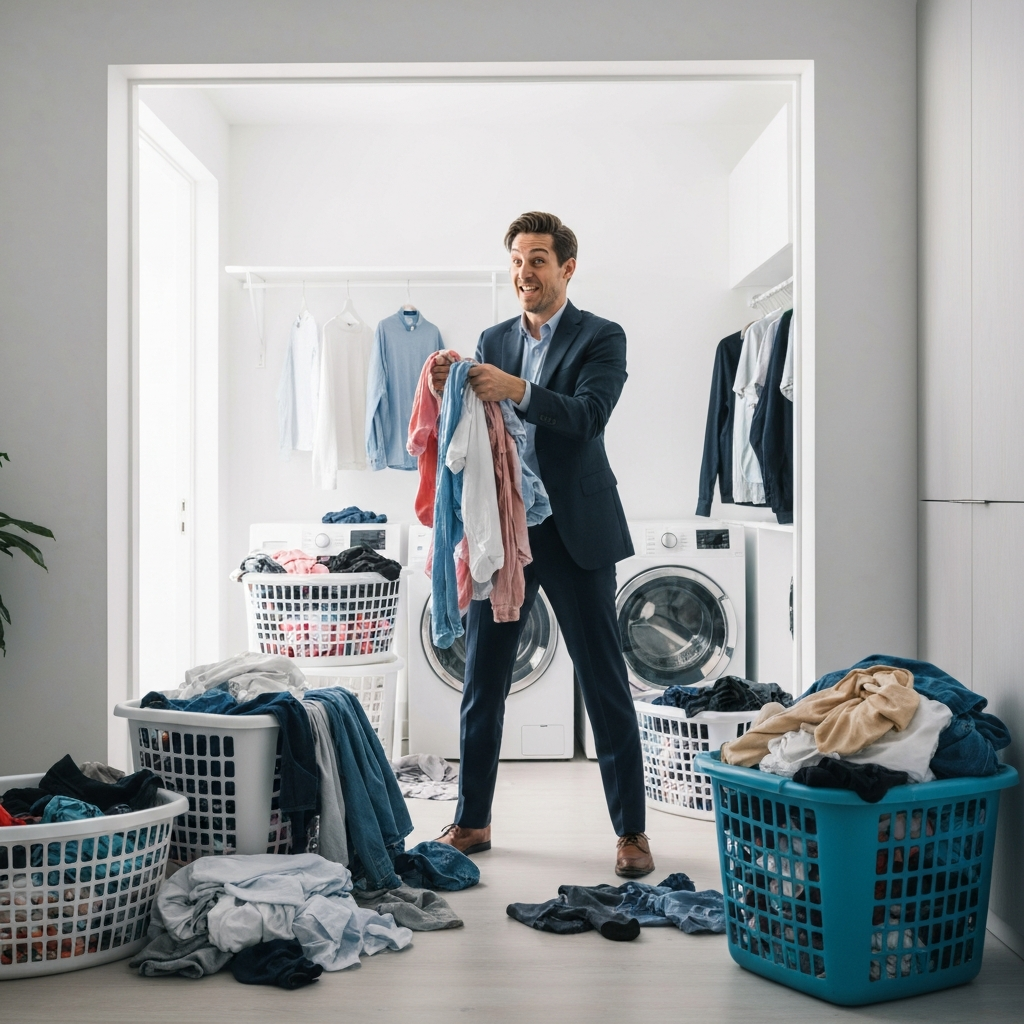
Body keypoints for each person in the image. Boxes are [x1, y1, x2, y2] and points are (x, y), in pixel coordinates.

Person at [430, 211, 653, 878]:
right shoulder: (492, 336)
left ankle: (632, 834)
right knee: (484, 680)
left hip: (574, 530)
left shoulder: (601, 336)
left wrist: (518, 388)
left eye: (538, 261)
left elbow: (588, 416)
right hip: (505, 528)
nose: (525, 273)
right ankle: (472, 821)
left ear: (566, 269)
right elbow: (479, 418)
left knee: (604, 680)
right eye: (518, 261)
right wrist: (452, 391)